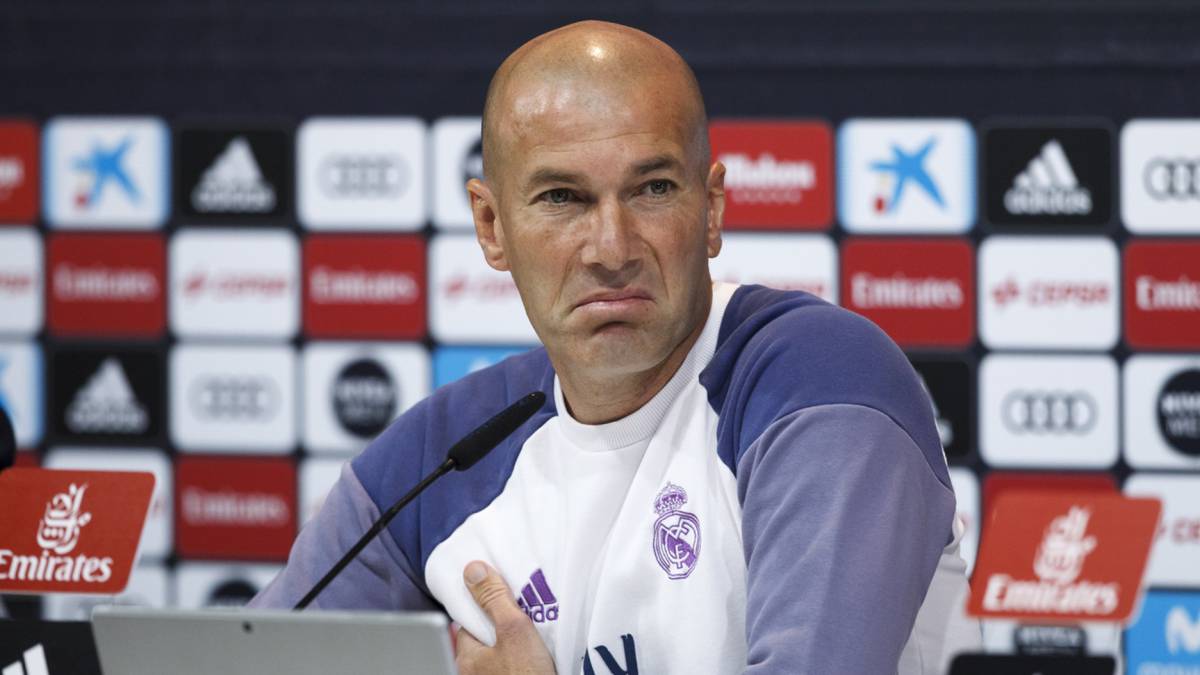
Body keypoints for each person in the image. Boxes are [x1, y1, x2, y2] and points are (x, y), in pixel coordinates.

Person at [252, 20, 981, 674]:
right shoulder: (443, 455)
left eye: (653, 188)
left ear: (712, 208)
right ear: (491, 226)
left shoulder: (815, 382)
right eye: (562, 198)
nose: (611, 248)